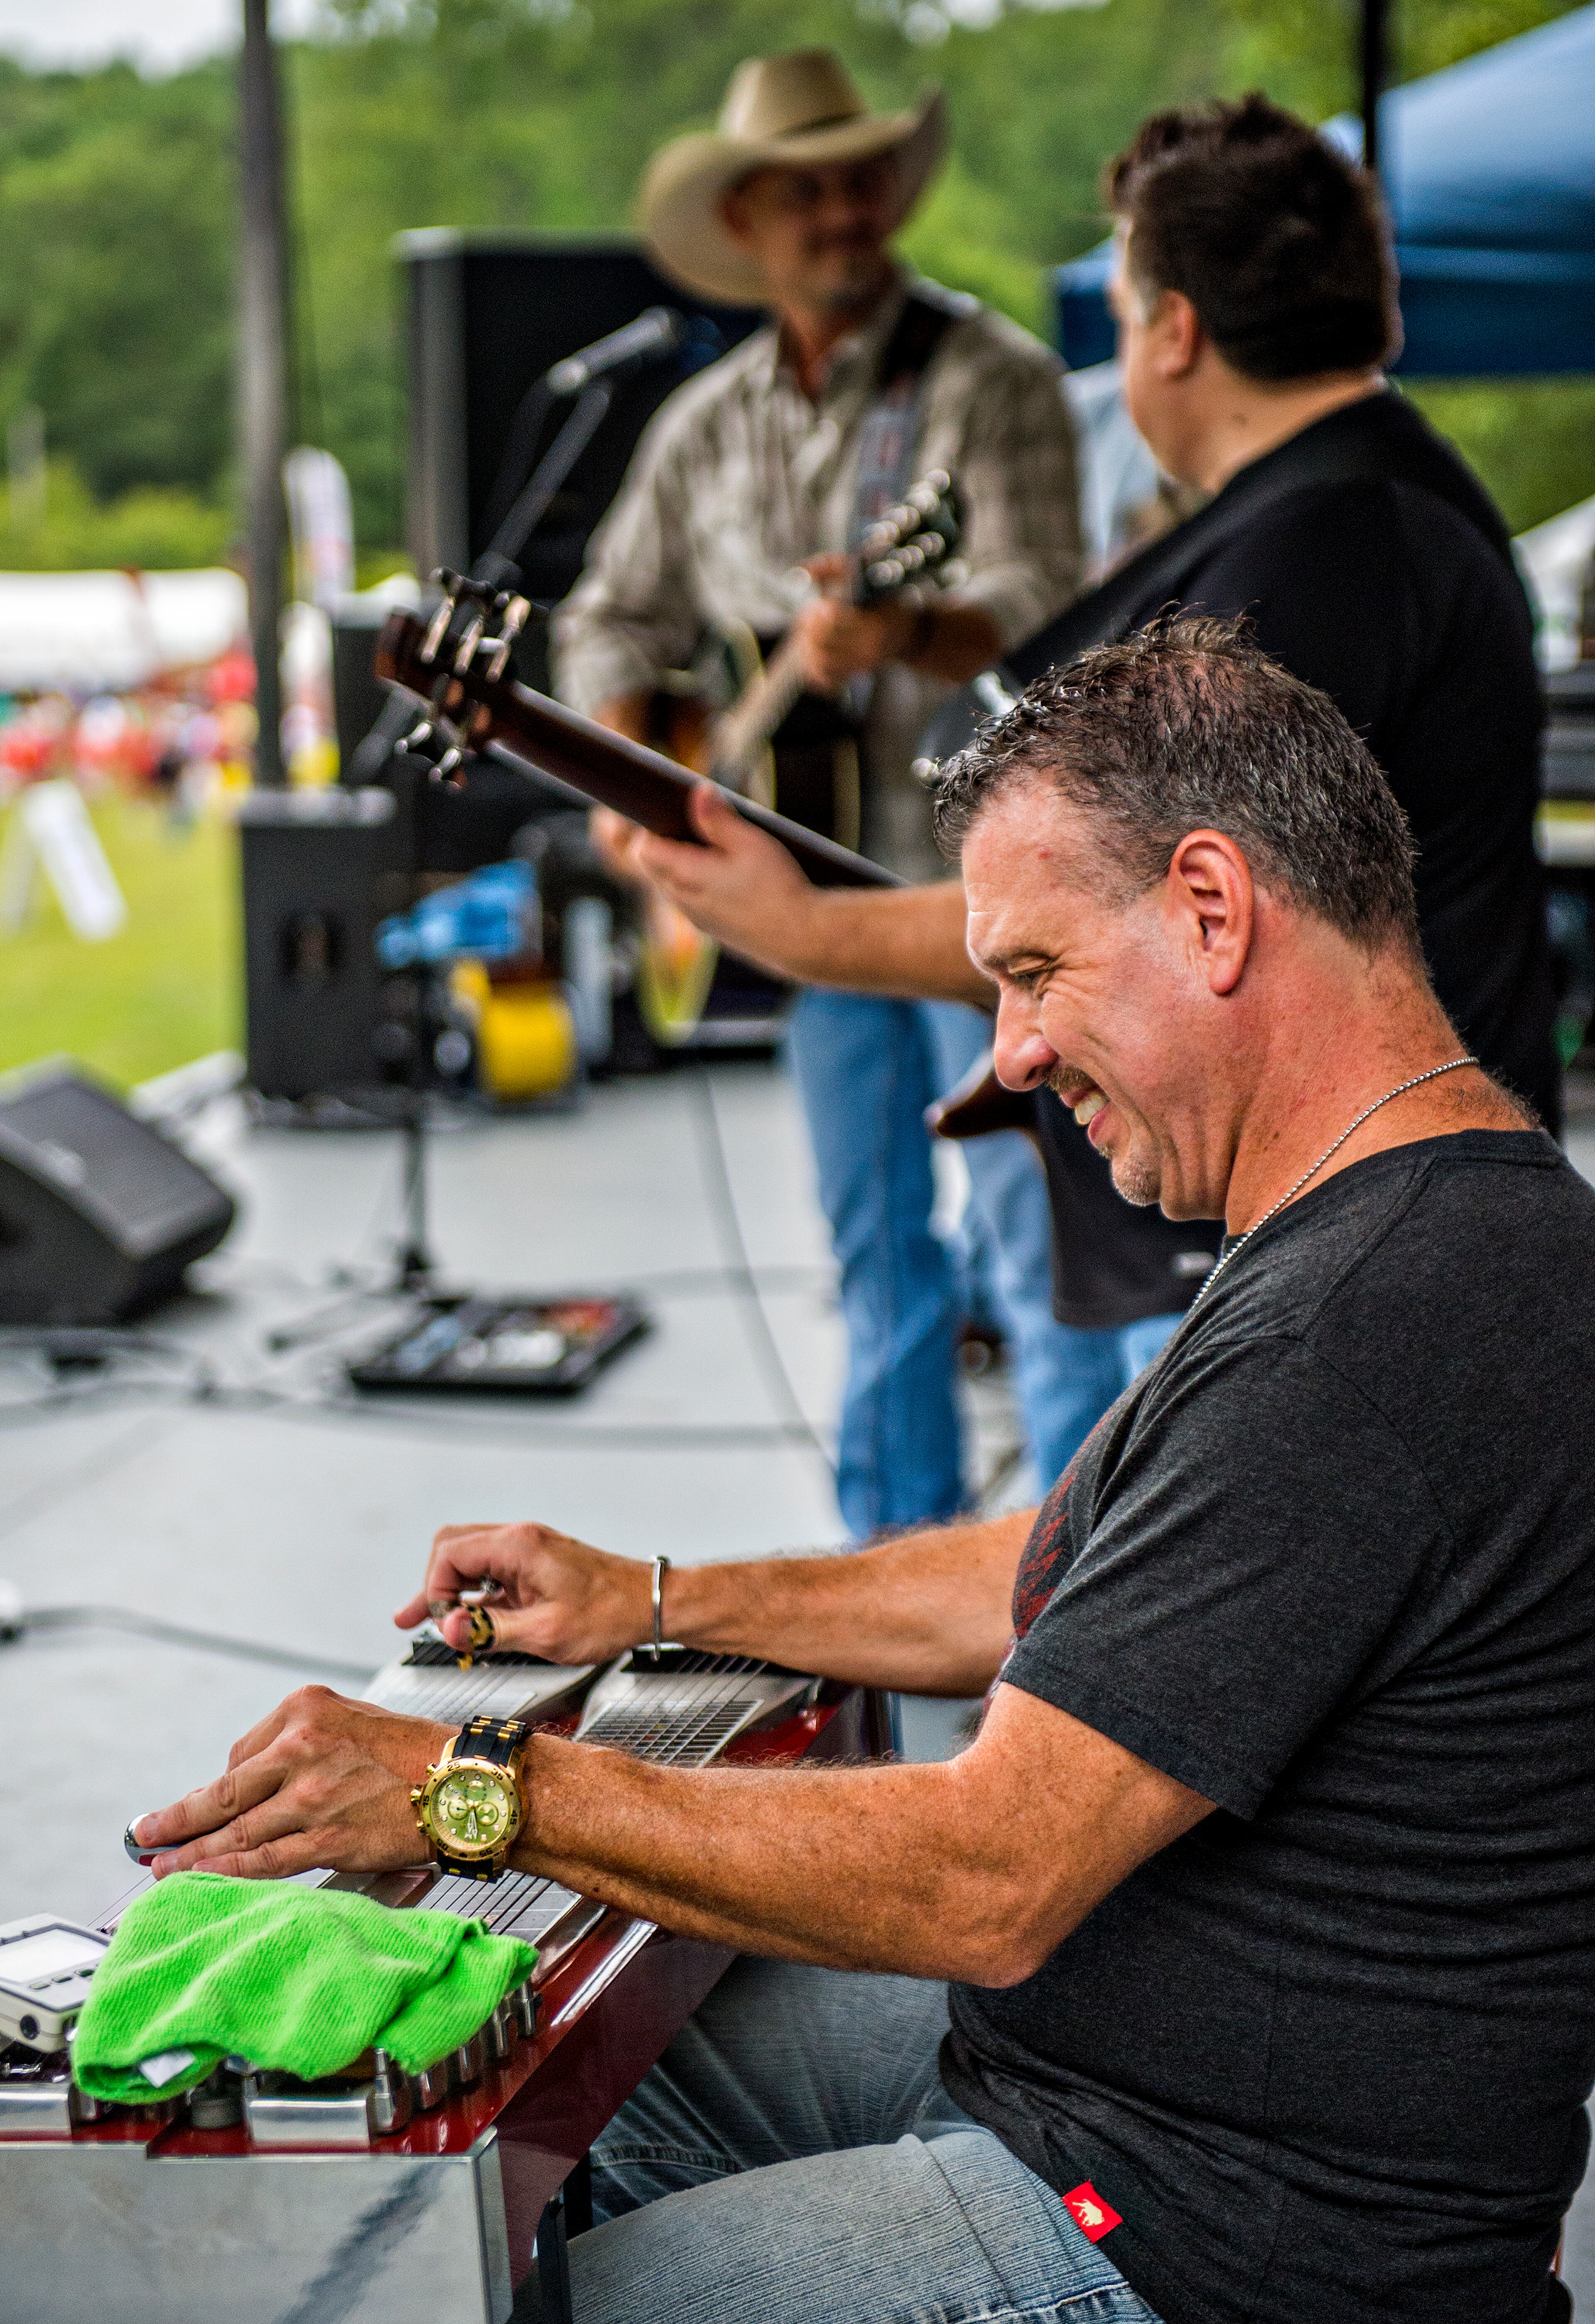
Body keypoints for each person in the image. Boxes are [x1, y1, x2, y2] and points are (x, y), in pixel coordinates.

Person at [139, 623, 1595, 2324]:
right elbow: (1056, 1570)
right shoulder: (1448, 1210)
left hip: (1212, 2240)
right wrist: (656, 1600)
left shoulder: (1357, 1330)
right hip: (1106, 2090)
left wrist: (474, 1783)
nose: (1015, 1057)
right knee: (567, 2031)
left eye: (1035, 971)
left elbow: (987, 1874)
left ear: (1213, 907)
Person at [602, 93, 1559, 1394]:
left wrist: (800, 929)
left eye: (1120, 316)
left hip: (1347, 1247)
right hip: (1349, 1222)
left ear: (1174, 329)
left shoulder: (1327, 547)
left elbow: (1126, 916)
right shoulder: (1342, 509)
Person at [552, 48, 1091, 1533]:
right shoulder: (707, 420)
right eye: (810, 192)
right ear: (751, 223)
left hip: (976, 903)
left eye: (863, 181)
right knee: (874, 1261)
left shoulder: (992, 383)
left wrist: (910, 628)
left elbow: (1060, 602)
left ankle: (1082, 1618)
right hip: (801, 905)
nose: (845, 214)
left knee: (1034, 1252)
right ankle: (894, 1578)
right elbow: (609, 612)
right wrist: (634, 746)